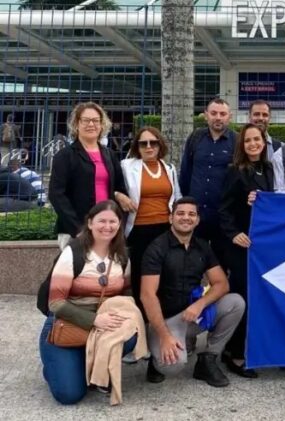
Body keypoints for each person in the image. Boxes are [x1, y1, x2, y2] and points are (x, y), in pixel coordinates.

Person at [39, 200, 143, 405]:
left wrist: (126, 316)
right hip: (66, 324)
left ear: (119, 225)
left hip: (102, 326)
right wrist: (95, 319)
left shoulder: (122, 256)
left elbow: (126, 292)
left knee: (130, 336)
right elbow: (56, 304)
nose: (107, 226)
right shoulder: (73, 253)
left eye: (113, 221)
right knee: (69, 395)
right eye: (101, 221)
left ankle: (91, 364)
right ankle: (55, 367)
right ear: (90, 223)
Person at [140, 197, 246, 388]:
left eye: (191, 214)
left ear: (197, 220)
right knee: (172, 366)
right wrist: (164, 337)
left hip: (193, 315)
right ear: (170, 218)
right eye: (180, 213)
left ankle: (208, 360)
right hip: (165, 321)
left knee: (236, 302)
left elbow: (222, 284)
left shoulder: (203, 246)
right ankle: (156, 360)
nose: (186, 218)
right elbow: (147, 295)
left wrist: (200, 304)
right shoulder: (156, 248)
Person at [219, 123, 275, 379]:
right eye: (248, 140)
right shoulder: (235, 171)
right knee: (243, 298)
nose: (253, 144)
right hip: (242, 246)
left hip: (264, 247)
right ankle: (234, 352)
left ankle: (255, 348)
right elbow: (224, 209)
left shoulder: (270, 169)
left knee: (262, 299)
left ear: (264, 142)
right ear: (242, 145)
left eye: (257, 139)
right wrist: (233, 234)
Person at [48, 102, 131, 250]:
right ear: (77, 124)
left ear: (102, 124)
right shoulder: (65, 156)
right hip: (76, 229)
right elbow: (56, 194)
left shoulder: (109, 154)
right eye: (85, 120)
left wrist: (118, 196)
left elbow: (118, 186)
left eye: (95, 120)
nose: (91, 124)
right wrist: (78, 228)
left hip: (106, 228)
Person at [121, 126, 182, 316]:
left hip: (165, 229)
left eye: (153, 142)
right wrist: (118, 195)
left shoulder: (169, 168)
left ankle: (164, 318)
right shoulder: (127, 166)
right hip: (139, 230)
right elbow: (113, 186)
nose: (149, 147)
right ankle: (143, 320)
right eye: (143, 143)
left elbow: (177, 196)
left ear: (159, 145)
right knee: (141, 276)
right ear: (137, 147)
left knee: (166, 275)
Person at [179, 97, 237, 267]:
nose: (218, 117)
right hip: (196, 216)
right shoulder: (196, 137)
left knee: (221, 263)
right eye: (214, 113)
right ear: (206, 115)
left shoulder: (237, 141)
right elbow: (185, 172)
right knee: (192, 261)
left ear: (229, 117)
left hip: (223, 216)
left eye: (222, 114)